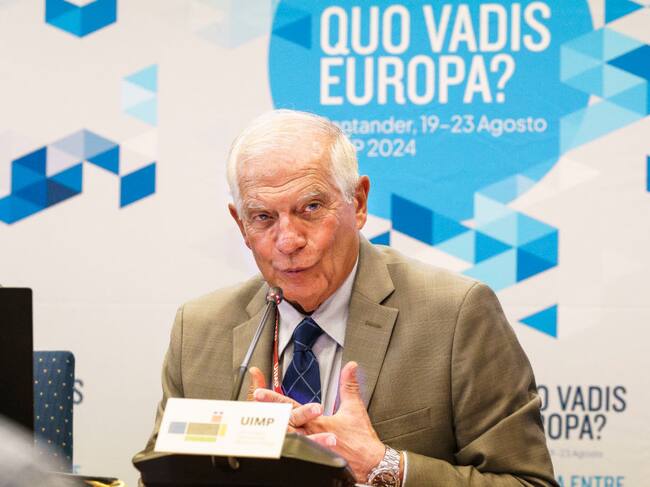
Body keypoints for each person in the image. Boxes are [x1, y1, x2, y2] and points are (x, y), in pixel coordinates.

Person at [136, 109, 558, 486]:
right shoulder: (199, 330)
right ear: (241, 224)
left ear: (357, 202)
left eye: (310, 207)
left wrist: (382, 465)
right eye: (263, 217)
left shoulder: (455, 315)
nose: (288, 240)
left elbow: (527, 483)